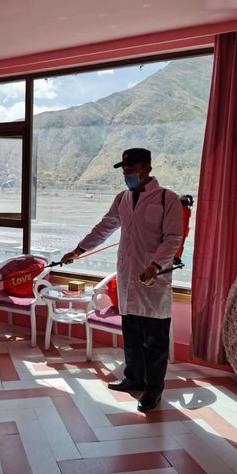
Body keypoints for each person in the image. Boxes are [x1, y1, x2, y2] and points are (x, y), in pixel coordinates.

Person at [61, 148, 183, 412]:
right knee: (132, 334)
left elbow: (174, 238)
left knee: (155, 340)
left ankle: (153, 390)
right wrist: (78, 251)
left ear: (147, 169)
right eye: (125, 171)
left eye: (131, 170)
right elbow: (104, 228)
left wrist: (154, 265)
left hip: (153, 279)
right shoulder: (122, 199)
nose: (127, 175)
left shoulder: (167, 199)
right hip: (128, 276)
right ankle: (133, 378)